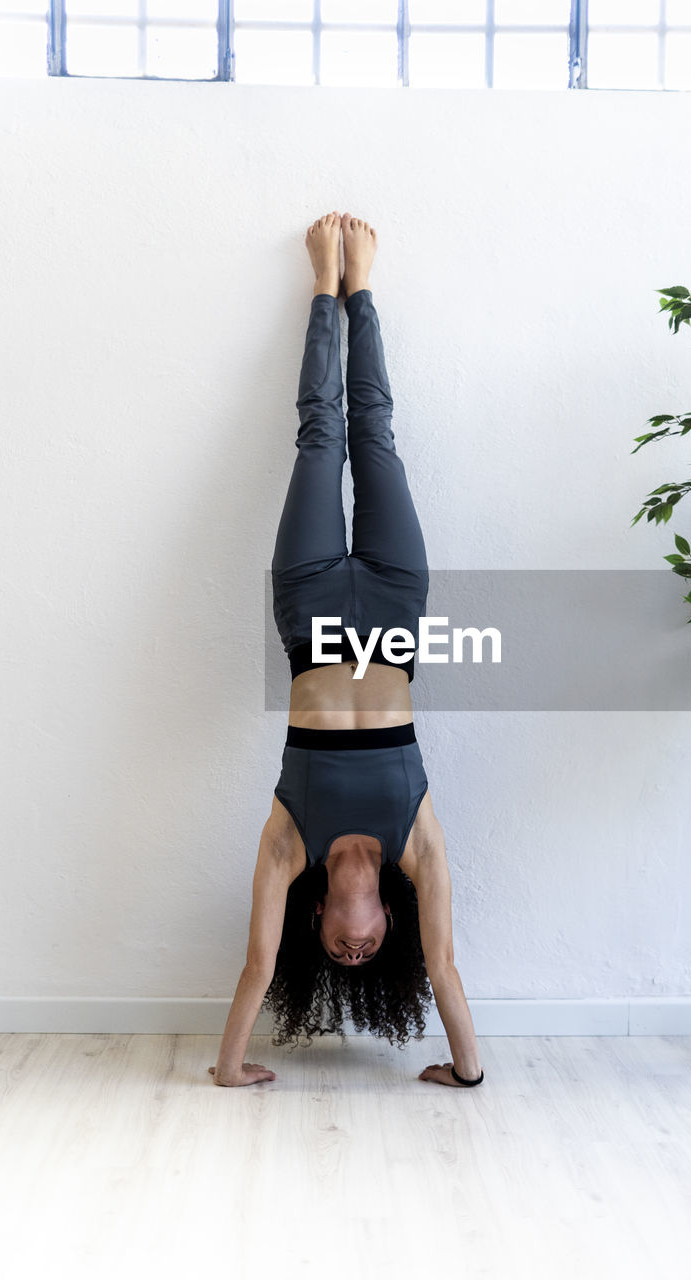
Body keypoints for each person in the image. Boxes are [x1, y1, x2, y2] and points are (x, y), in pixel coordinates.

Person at [208, 213, 483, 1090]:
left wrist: (226, 1070)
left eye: (339, 952)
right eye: (369, 954)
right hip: (396, 613)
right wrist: (467, 1073)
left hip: (312, 609)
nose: (355, 951)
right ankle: (362, 287)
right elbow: (443, 970)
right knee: (377, 435)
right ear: (386, 924)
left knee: (320, 436)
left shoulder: (290, 844)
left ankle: (327, 288)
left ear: (319, 916)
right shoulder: (419, 846)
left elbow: (256, 967)